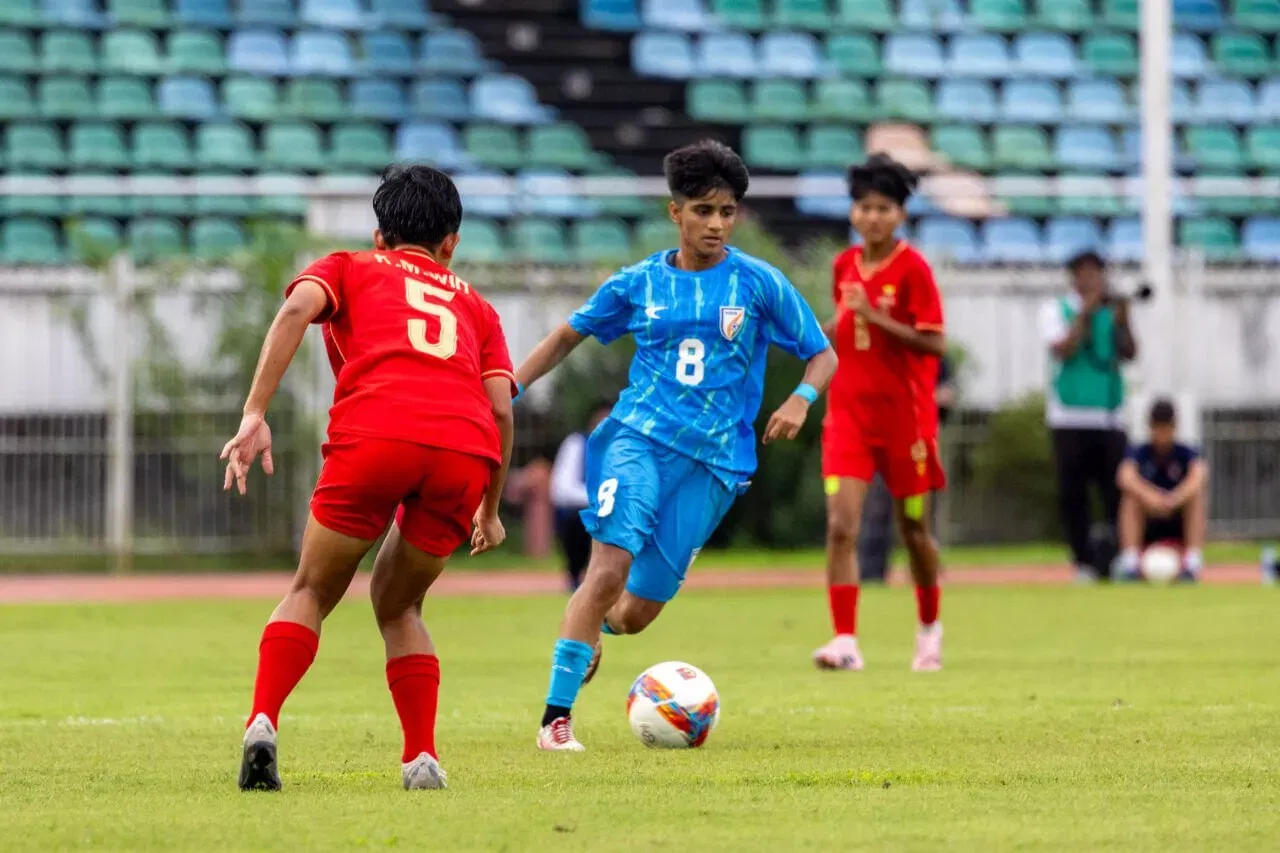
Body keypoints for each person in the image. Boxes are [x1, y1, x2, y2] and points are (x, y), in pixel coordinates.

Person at [513, 140, 837, 752]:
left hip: (715, 464)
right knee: (607, 567)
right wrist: (511, 388)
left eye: (727, 212)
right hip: (637, 440)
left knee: (633, 614)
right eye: (702, 211)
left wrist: (800, 399)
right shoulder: (639, 283)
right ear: (675, 212)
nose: (716, 224)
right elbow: (565, 337)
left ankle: (595, 626)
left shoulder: (758, 283)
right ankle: (556, 720)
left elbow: (822, 353)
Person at [219, 165, 516, 792]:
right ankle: (421, 757)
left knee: (311, 589)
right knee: (401, 604)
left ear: (380, 235)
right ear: (451, 243)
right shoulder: (477, 306)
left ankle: (263, 721)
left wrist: (254, 414)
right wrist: (490, 509)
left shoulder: (350, 266)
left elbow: (297, 307)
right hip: (463, 450)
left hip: (377, 433)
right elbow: (501, 409)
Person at [814, 153, 948, 673]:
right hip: (848, 415)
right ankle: (844, 640)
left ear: (900, 215)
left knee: (913, 529)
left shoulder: (914, 269)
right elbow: (848, 328)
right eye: (864, 207)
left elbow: (934, 342)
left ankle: (929, 628)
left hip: (905, 421)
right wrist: (818, 332)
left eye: (883, 208)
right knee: (840, 526)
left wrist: (873, 315)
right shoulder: (843, 265)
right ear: (853, 212)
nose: (872, 217)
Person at [1039, 250, 1138, 582]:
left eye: (1096, 273)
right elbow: (1063, 348)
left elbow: (1129, 353)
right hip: (1069, 416)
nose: (1092, 279)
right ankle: (1082, 560)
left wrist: (1123, 319)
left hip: (1109, 414)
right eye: (1085, 273)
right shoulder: (1056, 309)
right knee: (1073, 494)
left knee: (1115, 492)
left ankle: (1118, 556)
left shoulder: (1110, 313)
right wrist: (1085, 312)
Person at [856, 353, 955, 584]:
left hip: (920, 446)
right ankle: (871, 575)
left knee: (920, 515)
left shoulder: (931, 353)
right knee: (878, 509)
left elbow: (946, 395)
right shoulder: (877, 353)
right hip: (884, 444)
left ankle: (925, 573)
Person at [1116, 399, 1208, 583]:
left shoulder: (1186, 452)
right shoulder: (1139, 452)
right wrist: (1150, 496)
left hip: (1176, 514)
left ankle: (1192, 563)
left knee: (1196, 498)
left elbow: (1199, 475)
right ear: (1151, 427)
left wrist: (1175, 498)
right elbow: (1125, 476)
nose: (1162, 435)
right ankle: (1130, 563)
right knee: (1130, 499)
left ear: (1174, 427)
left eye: (1166, 428)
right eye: (1158, 428)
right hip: (1149, 516)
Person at [550, 401, 614, 591]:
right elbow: (562, 489)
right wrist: (601, 501)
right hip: (585, 512)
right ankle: (576, 576)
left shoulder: (627, 449)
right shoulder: (577, 443)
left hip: (617, 511)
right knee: (576, 519)